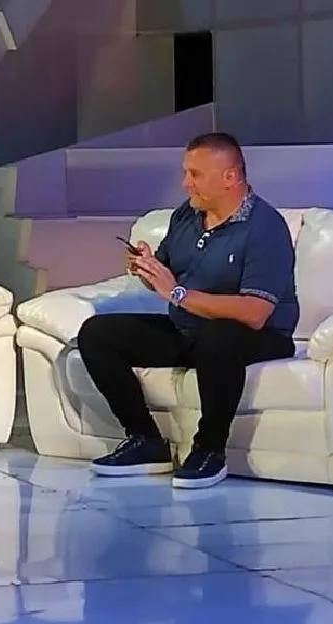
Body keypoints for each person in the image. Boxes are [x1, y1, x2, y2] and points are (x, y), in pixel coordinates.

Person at [77, 132, 298, 489]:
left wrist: (177, 293)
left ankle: (209, 451)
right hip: (191, 330)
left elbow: (256, 312)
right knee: (98, 334)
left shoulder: (264, 227)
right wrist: (148, 268)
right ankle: (145, 441)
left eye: (195, 174)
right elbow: (166, 279)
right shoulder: (188, 214)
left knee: (217, 336)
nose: (185, 183)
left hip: (258, 335)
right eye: (185, 172)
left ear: (230, 177)